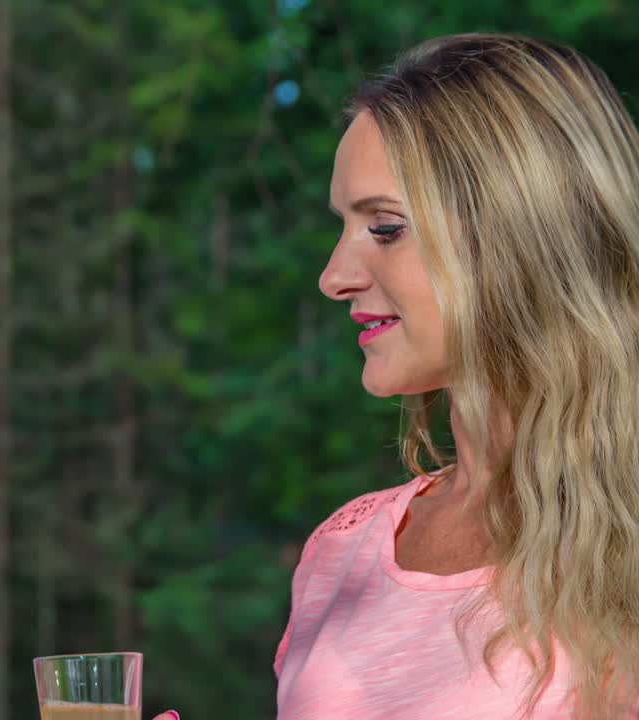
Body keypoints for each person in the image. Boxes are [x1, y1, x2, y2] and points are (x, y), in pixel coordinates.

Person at [154, 32, 639, 720]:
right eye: (343, 228)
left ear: (521, 234)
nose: (334, 277)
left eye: (384, 228)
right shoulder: (342, 552)